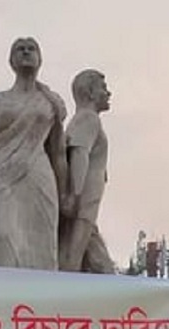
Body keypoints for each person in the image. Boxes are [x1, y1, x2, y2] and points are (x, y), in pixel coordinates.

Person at [0, 37, 68, 270]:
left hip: (38, 176)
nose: (26, 52)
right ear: (10, 60)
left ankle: (41, 304)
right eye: (20, 49)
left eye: (31, 49)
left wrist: (66, 194)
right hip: (2, 176)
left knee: (42, 248)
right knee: (2, 238)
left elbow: (59, 152)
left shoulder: (50, 102)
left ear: (40, 59)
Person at [58, 69, 116, 274]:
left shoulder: (83, 119)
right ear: (90, 92)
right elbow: (79, 154)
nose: (108, 93)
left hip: (86, 204)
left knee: (96, 256)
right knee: (72, 261)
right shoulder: (88, 118)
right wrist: (75, 194)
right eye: (103, 88)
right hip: (83, 203)